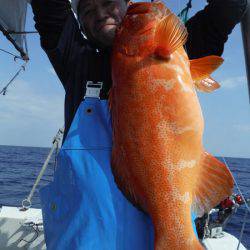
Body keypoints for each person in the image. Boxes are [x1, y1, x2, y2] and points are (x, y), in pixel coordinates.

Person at [29, 0, 247, 249]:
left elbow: (229, 7)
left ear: (127, 4)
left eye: (109, 2)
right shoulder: (77, 61)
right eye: (87, 11)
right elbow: (49, 11)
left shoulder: (178, 48)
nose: (100, 14)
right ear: (80, 24)